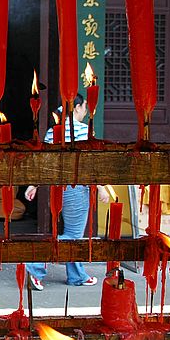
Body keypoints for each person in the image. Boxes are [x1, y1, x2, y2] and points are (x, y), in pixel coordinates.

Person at [25, 94, 108, 289]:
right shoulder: (82, 130)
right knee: (72, 235)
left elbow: (45, 162)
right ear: (77, 108)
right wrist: (102, 186)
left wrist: (34, 184)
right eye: (85, 107)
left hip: (58, 188)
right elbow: (88, 165)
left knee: (73, 234)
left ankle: (77, 275)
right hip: (76, 188)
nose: (86, 111)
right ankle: (35, 265)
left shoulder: (53, 131)